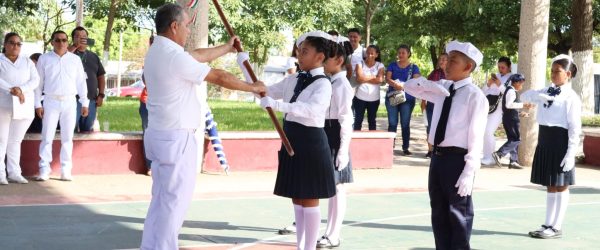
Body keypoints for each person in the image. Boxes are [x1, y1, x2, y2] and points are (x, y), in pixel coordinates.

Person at [139, 4, 265, 249]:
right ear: (174, 26)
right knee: (174, 202)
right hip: (177, 138)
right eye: (186, 25)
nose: (188, 30)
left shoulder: (159, 51)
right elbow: (217, 76)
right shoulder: (173, 57)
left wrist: (227, 48)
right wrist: (253, 87)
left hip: (162, 135)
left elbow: (196, 55)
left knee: (162, 200)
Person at [404, 40, 487, 249]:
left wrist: (469, 170)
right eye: (447, 60)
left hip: (458, 160)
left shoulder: (475, 96)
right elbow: (409, 87)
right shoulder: (443, 88)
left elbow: (476, 137)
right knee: (438, 213)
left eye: (453, 61)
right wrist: (429, 85)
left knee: (459, 215)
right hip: (438, 158)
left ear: (468, 67)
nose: (447, 65)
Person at [259, 31, 336, 250]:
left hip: (311, 142)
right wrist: (248, 74)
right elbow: (268, 91)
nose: (299, 56)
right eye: (299, 51)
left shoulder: (324, 84)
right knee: (297, 196)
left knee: (310, 196)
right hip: (291, 138)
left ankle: (309, 247)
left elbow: (311, 110)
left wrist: (278, 105)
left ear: (320, 57)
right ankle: (301, 245)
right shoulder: (294, 78)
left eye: (305, 52)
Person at [521, 54, 581, 239]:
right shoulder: (547, 90)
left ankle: (556, 227)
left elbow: (574, 127)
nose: (553, 74)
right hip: (545, 140)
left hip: (559, 142)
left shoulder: (571, 97)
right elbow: (524, 95)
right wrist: (537, 95)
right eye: (552, 70)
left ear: (568, 74)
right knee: (550, 185)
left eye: (558, 71)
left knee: (561, 184)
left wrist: (571, 153)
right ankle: (547, 223)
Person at [34, 30, 89, 182]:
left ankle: (66, 169)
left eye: (64, 40)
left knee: (67, 138)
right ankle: (44, 169)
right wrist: (38, 104)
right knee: (47, 137)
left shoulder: (75, 60)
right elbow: (38, 84)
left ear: (67, 42)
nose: (61, 43)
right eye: (57, 40)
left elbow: (81, 82)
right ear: (52, 42)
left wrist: (84, 102)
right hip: (50, 101)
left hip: (70, 102)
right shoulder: (44, 59)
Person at [315, 35, 354, 248]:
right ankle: (328, 231)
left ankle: (334, 233)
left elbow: (346, 119)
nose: (322, 62)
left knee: (338, 187)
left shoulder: (343, 85)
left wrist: (343, 150)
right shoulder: (327, 82)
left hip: (336, 135)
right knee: (330, 186)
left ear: (338, 60)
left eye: (326, 58)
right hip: (325, 133)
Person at [0, 32, 40, 185]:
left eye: (18, 44)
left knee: (15, 141)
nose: (15, 46)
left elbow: (35, 80)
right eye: (12, 42)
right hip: (3, 105)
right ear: (5, 44)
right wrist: (12, 90)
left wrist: (20, 90)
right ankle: (1, 174)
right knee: (1, 140)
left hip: (23, 106)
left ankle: (14, 172)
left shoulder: (27, 61)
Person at [69, 26, 106, 133]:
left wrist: (101, 94)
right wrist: (74, 47)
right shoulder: (67, 55)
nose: (81, 39)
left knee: (87, 131)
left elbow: (101, 76)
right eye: (78, 37)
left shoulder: (93, 56)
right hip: (73, 100)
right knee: (70, 130)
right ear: (73, 39)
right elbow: (62, 58)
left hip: (91, 99)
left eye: (84, 36)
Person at [385, 45, 421, 155]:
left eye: (403, 53)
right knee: (392, 123)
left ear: (408, 54)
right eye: (399, 52)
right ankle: (389, 146)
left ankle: (405, 148)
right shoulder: (392, 65)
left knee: (405, 124)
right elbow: (387, 78)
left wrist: (403, 85)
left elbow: (417, 80)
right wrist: (394, 84)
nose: (400, 55)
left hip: (408, 99)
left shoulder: (414, 67)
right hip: (393, 96)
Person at [481, 57, 513, 165]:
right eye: (499, 67)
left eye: (503, 67)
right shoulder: (496, 76)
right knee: (485, 131)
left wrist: (499, 85)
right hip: (490, 107)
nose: (500, 69)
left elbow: (510, 94)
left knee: (488, 131)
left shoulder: (512, 78)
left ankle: (490, 157)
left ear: (509, 67)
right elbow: (483, 92)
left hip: (500, 109)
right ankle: (487, 155)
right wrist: (489, 84)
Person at [492, 73, 527, 169]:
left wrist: (520, 113)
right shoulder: (511, 91)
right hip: (511, 119)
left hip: (509, 117)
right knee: (516, 139)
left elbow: (510, 107)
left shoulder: (509, 90)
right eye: (521, 83)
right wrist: (523, 105)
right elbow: (509, 105)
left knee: (512, 139)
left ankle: (513, 161)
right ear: (516, 82)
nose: (521, 86)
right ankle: (499, 153)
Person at [422, 53, 448, 158]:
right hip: (431, 104)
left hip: (444, 104)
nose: (441, 61)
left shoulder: (452, 75)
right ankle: (430, 150)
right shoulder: (434, 73)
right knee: (429, 126)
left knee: (442, 127)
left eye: (444, 59)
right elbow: (425, 87)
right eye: (440, 59)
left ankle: (440, 149)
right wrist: (423, 101)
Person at [353, 45, 384, 131]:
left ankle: (372, 143)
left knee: (372, 121)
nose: (369, 55)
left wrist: (364, 78)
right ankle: (355, 142)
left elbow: (380, 79)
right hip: (360, 98)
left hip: (374, 99)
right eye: (368, 53)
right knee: (358, 121)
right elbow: (359, 78)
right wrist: (374, 76)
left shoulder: (380, 65)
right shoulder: (360, 64)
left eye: (372, 53)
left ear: (376, 55)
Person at [139, 35, 154, 176]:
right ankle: (150, 165)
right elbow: (145, 79)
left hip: (164, 104)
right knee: (148, 133)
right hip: (147, 102)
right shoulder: (150, 58)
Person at [26, 53, 43, 134]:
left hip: (41, 104)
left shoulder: (44, 76)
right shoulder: (25, 74)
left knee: (38, 129)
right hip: (27, 103)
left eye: (36, 65)